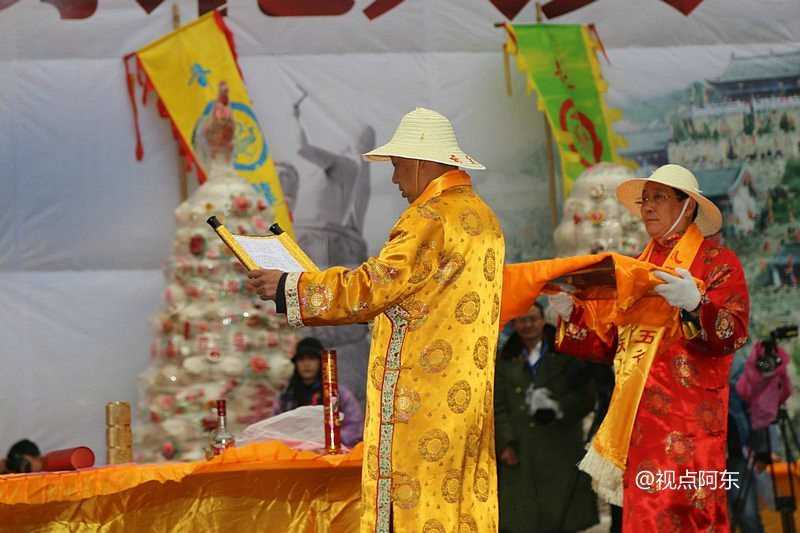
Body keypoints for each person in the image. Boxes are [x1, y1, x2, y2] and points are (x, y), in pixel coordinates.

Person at [247, 107, 504, 532]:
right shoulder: (484, 218)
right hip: (466, 400)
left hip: (420, 401)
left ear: (422, 163)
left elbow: (373, 288)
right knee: (458, 506)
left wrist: (289, 286)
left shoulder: (430, 217)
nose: (394, 180)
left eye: (399, 167)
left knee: (414, 514)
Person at [547, 164, 749, 531]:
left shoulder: (718, 264)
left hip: (691, 431)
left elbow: (733, 333)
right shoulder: (634, 269)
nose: (648, 208)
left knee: (691, 519)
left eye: (659, 198)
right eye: (645, 200)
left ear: (688, 206)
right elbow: (609, 343)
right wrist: (572, 316)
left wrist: (696, 306)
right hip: (638, 432)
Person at [494, 302, 598, 532]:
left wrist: (559, 408)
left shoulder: (565, 352)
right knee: (524, 516)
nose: (528, 325)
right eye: (522, 320)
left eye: (533, 319)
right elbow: (498, 405)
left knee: (563, 515)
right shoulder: (505, 359)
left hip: (560, 443)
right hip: (523, 447)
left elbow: (585, 395)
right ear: (514, 324)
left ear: (543, 321)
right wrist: (505, 443)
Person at [272, 336, 364, 447]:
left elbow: (355, 427)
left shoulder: (339, 394)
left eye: (311, 358)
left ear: (321, 362)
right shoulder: (285, 397)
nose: (306, 364)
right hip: (295, 453)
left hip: (334, 452)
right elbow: (276, 427)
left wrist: (328, 440)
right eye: (301, 359)